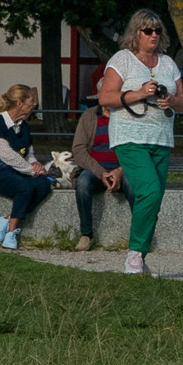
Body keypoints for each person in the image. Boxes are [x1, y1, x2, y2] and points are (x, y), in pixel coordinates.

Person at [96, 9, 183, 277]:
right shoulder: (122, 60)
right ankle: (134, 255)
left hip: (161, 137)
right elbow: (105, 98)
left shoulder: (168, 63)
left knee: (154, 199)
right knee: (150, 190)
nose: (154, 35)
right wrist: (139, 93)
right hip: (129, 136)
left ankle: (139, 259)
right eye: (148, 31)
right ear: (136, 33)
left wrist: (170, 100)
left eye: (158, 30)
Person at [0, 84, 51, 250]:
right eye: (30, 101)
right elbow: (6, 154)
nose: (33, 105)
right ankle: (11, 234)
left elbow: (29, 153)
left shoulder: (23, 126)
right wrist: (30, 170)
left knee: (43, 184)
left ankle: (6, 219)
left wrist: (35, 164)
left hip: (18, 171)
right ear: (19, 103)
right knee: (24, 187)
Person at [64, 92, 125, 252]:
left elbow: (137, 148)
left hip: (123, 169)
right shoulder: (89, 116)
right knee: (83, 184)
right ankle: (86, 235)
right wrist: (100, 172)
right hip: (95, 169)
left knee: (135, 187)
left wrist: (120, 170)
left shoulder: (127, 114)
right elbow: (78, 150)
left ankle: (140, 236)